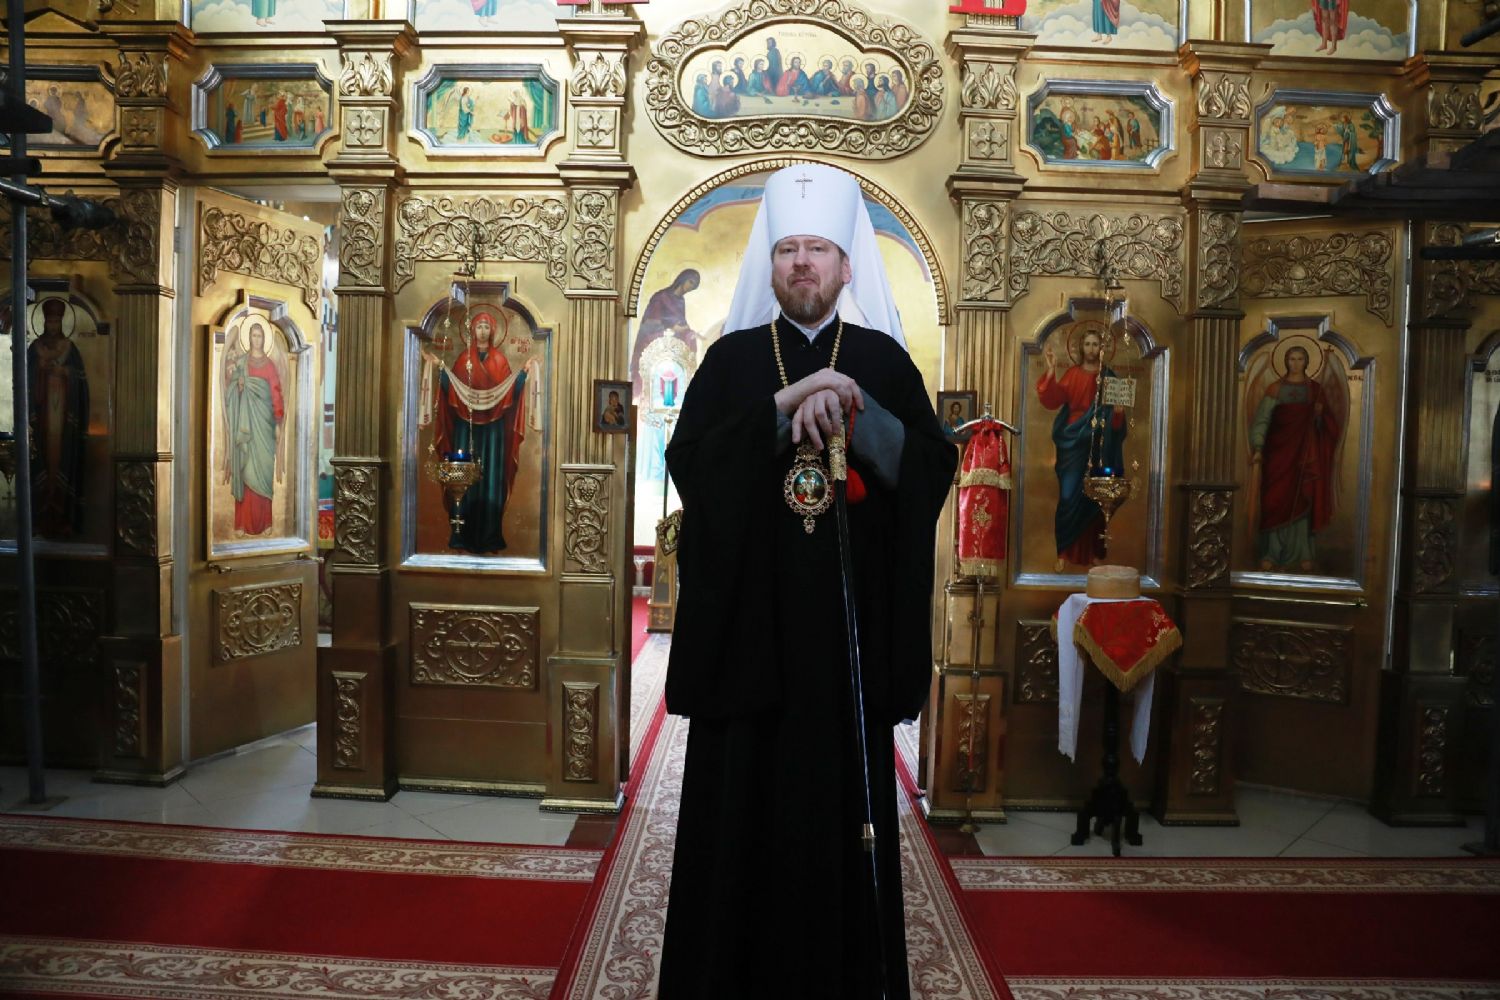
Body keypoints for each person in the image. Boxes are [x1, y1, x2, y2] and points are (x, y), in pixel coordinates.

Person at [659, 163, 955, 999]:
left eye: (817, 249)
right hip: (749, 643)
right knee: (739, 819)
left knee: (836, 824)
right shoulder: (732, 361)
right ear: (771, 264)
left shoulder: (882, 360)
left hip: (843, 649)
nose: (801, 263)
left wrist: (859, 410)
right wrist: (785, 405)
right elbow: (692, 468)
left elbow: (930, 468)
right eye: (788, 249)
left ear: (846, 265)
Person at [428, 311, 535, 554]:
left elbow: (509, 392)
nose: (483, 331)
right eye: (479, 326)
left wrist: (523, 373)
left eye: (487, 326)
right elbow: (452, 387)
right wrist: (440, 369)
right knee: (462, 479)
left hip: (494, 432)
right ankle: (461, 536)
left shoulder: (499, 360)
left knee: (491, 480)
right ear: (472, 330)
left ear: (493, 331)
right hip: (465, 427)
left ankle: (490, 536)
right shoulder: (463, 359)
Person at [1036, 326, 1125, 571]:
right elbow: (1053, 398)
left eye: (1095, 344)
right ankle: (1063, 551)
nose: (1091, 349)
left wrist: (1117, 414)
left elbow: (1117, 421)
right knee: (1068, 496)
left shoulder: (1109, 377)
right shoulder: (1073, 374)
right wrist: (1051, 370)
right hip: (1073, 442)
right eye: (1087, 344)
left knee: (1095, 497)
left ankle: (1093, 553)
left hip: (1099, 444)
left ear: (1102, 348)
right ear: (1081, 348)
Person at [1249, 345, 1339, 572]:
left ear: (1306, 362)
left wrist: (1319, 416)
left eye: (1300, 359)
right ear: (1285, 361)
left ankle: (1303, 553)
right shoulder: (1275, 388)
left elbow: (1329, 427)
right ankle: (1271, 553)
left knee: (1302, 497)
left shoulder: (1314, 390)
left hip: (1304, 455)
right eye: (1291, 359)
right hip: (1277, 453)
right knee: (1274, 501)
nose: (1295, 363)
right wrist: (1258, 446)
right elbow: (1262, 420)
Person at [28, 298, 89, 539]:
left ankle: (63, 517)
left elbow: (81, 382)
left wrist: (65, 372)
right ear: (44, 321)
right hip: (41, 416)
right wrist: (40, 370)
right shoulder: (35, 348)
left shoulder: (70, 348)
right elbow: (24, 379)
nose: (52, 325)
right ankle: (40, 518)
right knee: (43, 455)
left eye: (56, 321)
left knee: (61, 456)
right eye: (49, 321)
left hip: (64, 415)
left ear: (61, 322)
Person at [222, 322, 285, 536]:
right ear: (249, 338)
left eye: (260, 336)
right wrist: (238, 386)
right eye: (254, 335)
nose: (256, 339)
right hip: (245, 425)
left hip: (265, 427)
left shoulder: (270, 366)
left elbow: (276, 395)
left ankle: (266, 522)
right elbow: (230, 392)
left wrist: (278, 423)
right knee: (245, 470)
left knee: (264, 473)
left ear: (264, 339)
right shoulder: (241, 363)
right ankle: (242, 523)